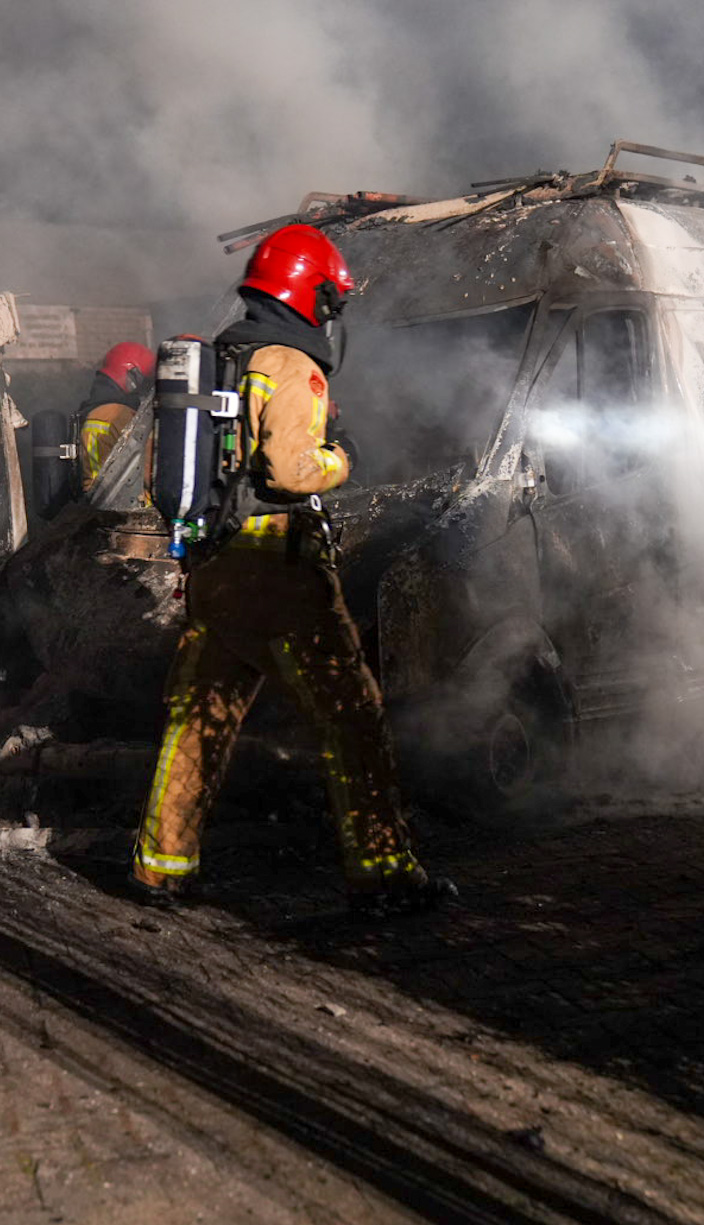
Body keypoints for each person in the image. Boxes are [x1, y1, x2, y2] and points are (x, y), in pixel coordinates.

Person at [130, 224, 455, 917]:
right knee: (352, 712)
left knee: (196, 717)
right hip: (281, 564)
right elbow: (289, 468)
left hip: (217, 564)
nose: (332, 314)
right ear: (309, 291)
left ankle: (162, 866)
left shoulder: (226, 354)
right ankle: (384, 866)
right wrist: (344, 460)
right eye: (330, 300)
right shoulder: (288, 363)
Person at [79, 341, 156, 491]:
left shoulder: (90, 411)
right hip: (123, 504)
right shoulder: (121, 416)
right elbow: (151, 476)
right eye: (146, 383)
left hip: (93, 500)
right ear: (133, 376)